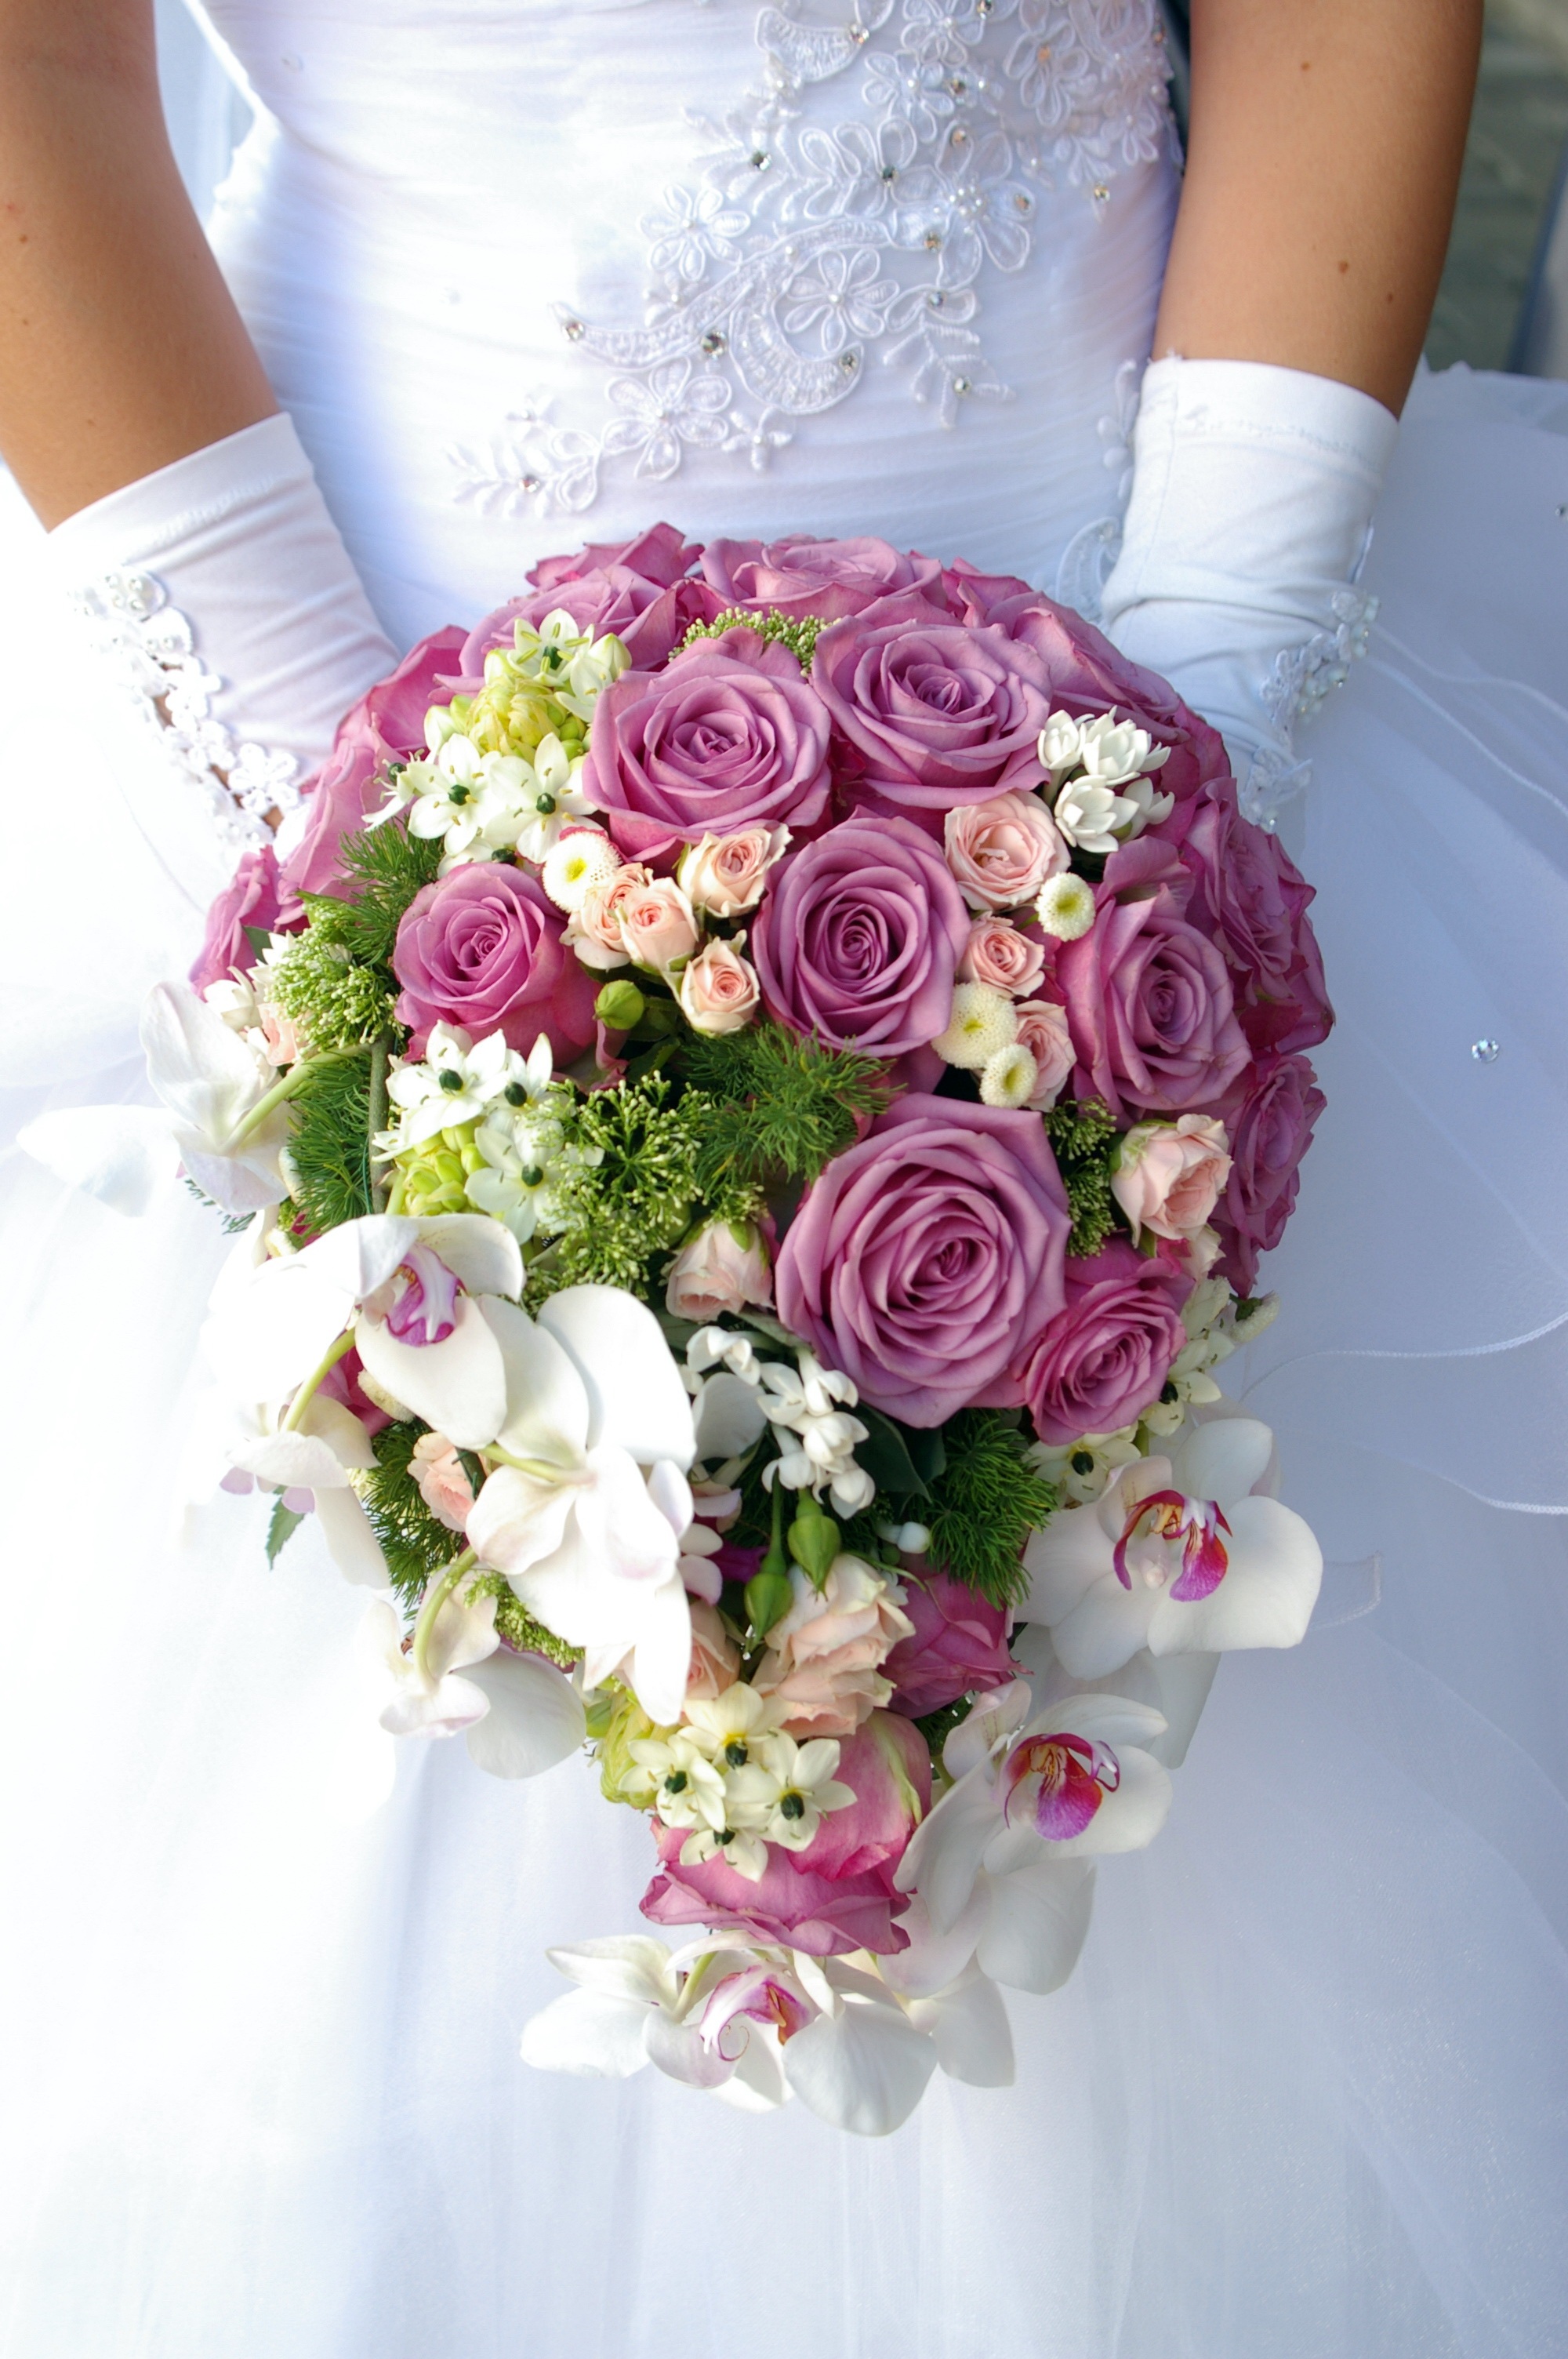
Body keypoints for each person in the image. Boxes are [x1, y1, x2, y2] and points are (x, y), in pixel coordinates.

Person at [1, 3, 1564, 2353]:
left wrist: (1202, 781)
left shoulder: (1170, 813)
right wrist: (374, 895)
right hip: (321, 647)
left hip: (1138, 669)